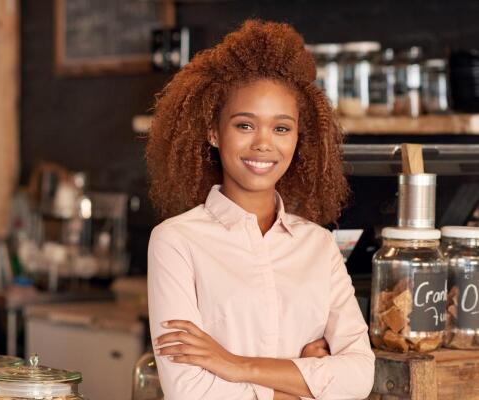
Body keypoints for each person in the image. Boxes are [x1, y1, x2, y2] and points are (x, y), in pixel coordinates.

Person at [145, 20, 374, 400]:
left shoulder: (318, 245)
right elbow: (190, 391)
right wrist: (303, 383)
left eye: (281, 128)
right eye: (245, 125)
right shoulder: (175, 241)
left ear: (300, 138)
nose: (264, 144)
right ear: (214, 132)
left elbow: (360, 375)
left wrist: (236, 365)